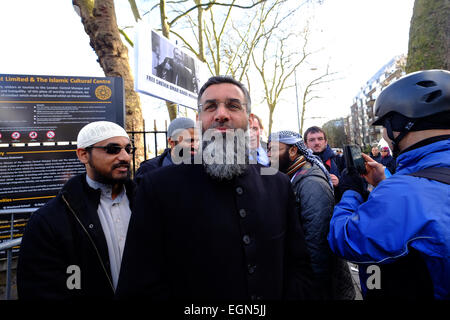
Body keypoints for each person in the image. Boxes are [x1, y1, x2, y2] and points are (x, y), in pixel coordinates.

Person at [116, 76, 314, 300]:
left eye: (233, 105)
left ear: (248, 120)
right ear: (199, 120)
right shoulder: (157, 188)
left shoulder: (278, 185)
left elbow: (298, 268)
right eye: (211, 106)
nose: (221, 114)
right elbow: (138, 285)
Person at [327, 69, 450, 300]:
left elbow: (344, 238)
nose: (384, 135)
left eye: (384, 125)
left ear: (400, 125)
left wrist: (351, 191)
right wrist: (387, 181)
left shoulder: (401, 194)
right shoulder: (404, 189)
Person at [17, 121, 136, 299]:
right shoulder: (49, 220)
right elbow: (40, 288)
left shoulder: (147, 203)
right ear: (83, 155)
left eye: (128, 149)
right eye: (113, 149)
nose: (125, 157)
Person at [268, 131, 355, 300]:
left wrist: (308, 289)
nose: (269, 155)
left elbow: (317, 244)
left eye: (274, 149)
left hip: (321, 287)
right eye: (268, 149)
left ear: (293, 151)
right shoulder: (293, 174)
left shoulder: (311, 183)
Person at [134, 117, 198, 184]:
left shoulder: (205, 169)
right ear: (171, 141)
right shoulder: (148, 170)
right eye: (190, 140)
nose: (196, 145)